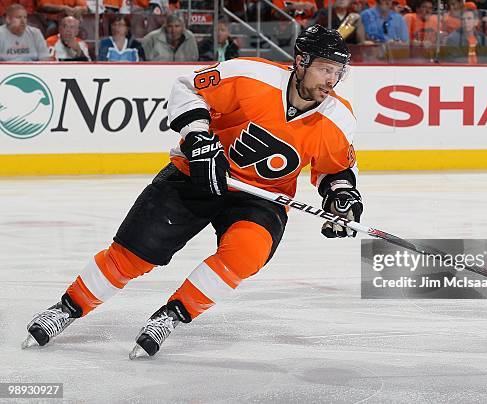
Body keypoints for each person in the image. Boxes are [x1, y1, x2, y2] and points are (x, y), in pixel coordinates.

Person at [22, 24, 363, 360]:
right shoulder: (248, 75)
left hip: (260, 197)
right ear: (301, 62)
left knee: (246, 253)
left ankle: (170, 316)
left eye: (338, 72)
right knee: (134, 252)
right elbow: (188, 88)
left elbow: (336, 171)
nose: (331, 80)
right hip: (197, 172)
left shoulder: (338, 118)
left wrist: (341, 197)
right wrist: (199, 139)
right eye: (324, 69)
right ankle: (68, 307)